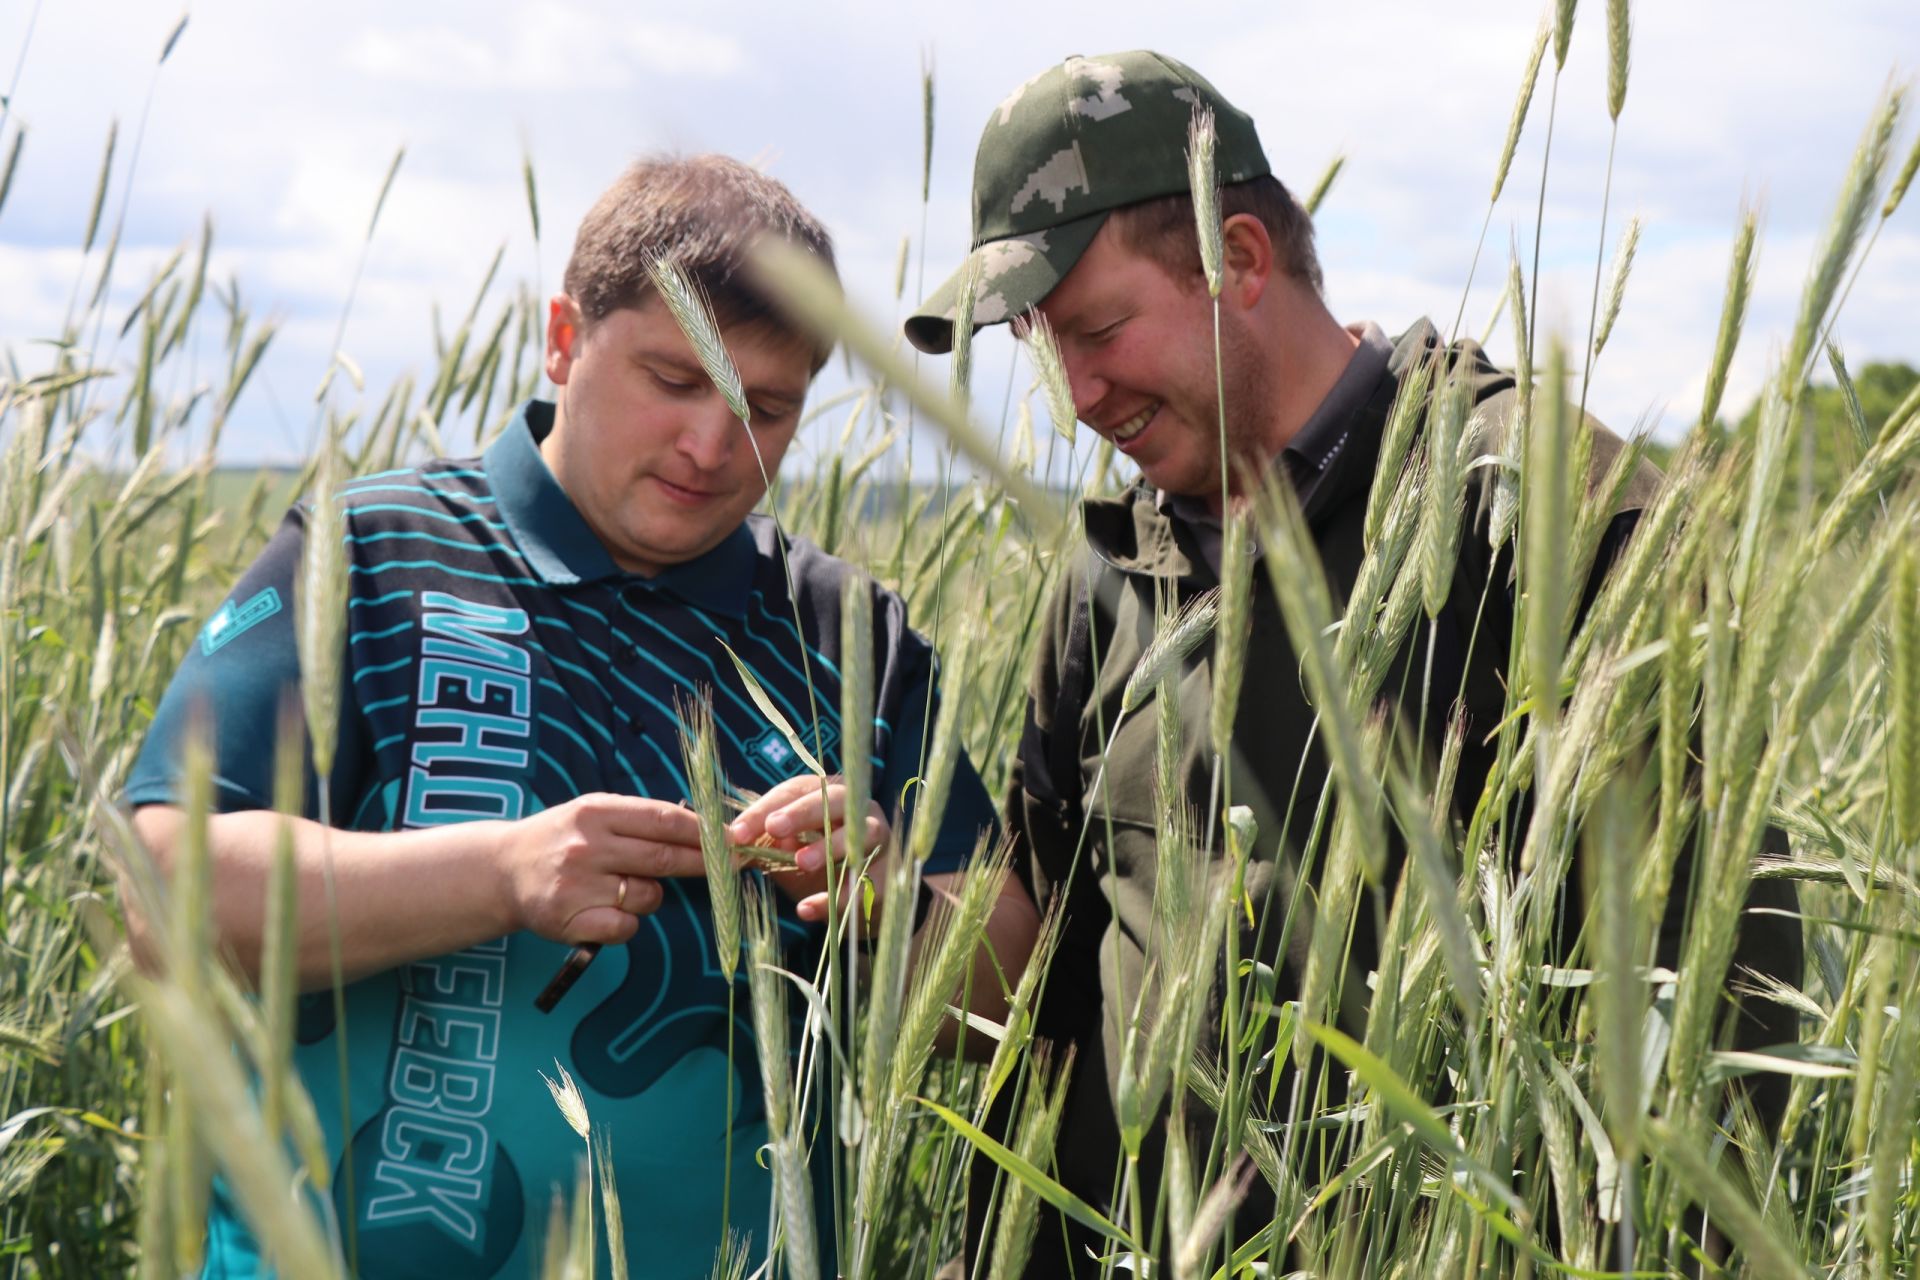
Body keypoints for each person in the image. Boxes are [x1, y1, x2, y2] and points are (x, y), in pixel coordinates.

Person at [905, 51, 1799, 1275]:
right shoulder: (1107, 566)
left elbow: (1726, 1018)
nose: (1076, 395)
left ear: (1244, 260)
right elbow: (1053, 970)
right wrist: (889, 899)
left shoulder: (1552, 513)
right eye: (1039, 346)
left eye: (1100, 330)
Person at [126, 153, 1036, 1279]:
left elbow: (1012, 989)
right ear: (565, 338)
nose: (712, 445)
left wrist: (891, 895)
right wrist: (500, 874)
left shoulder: (848, 631)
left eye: (766, 407)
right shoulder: (371, 556)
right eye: (672, 378)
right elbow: (158, 892)